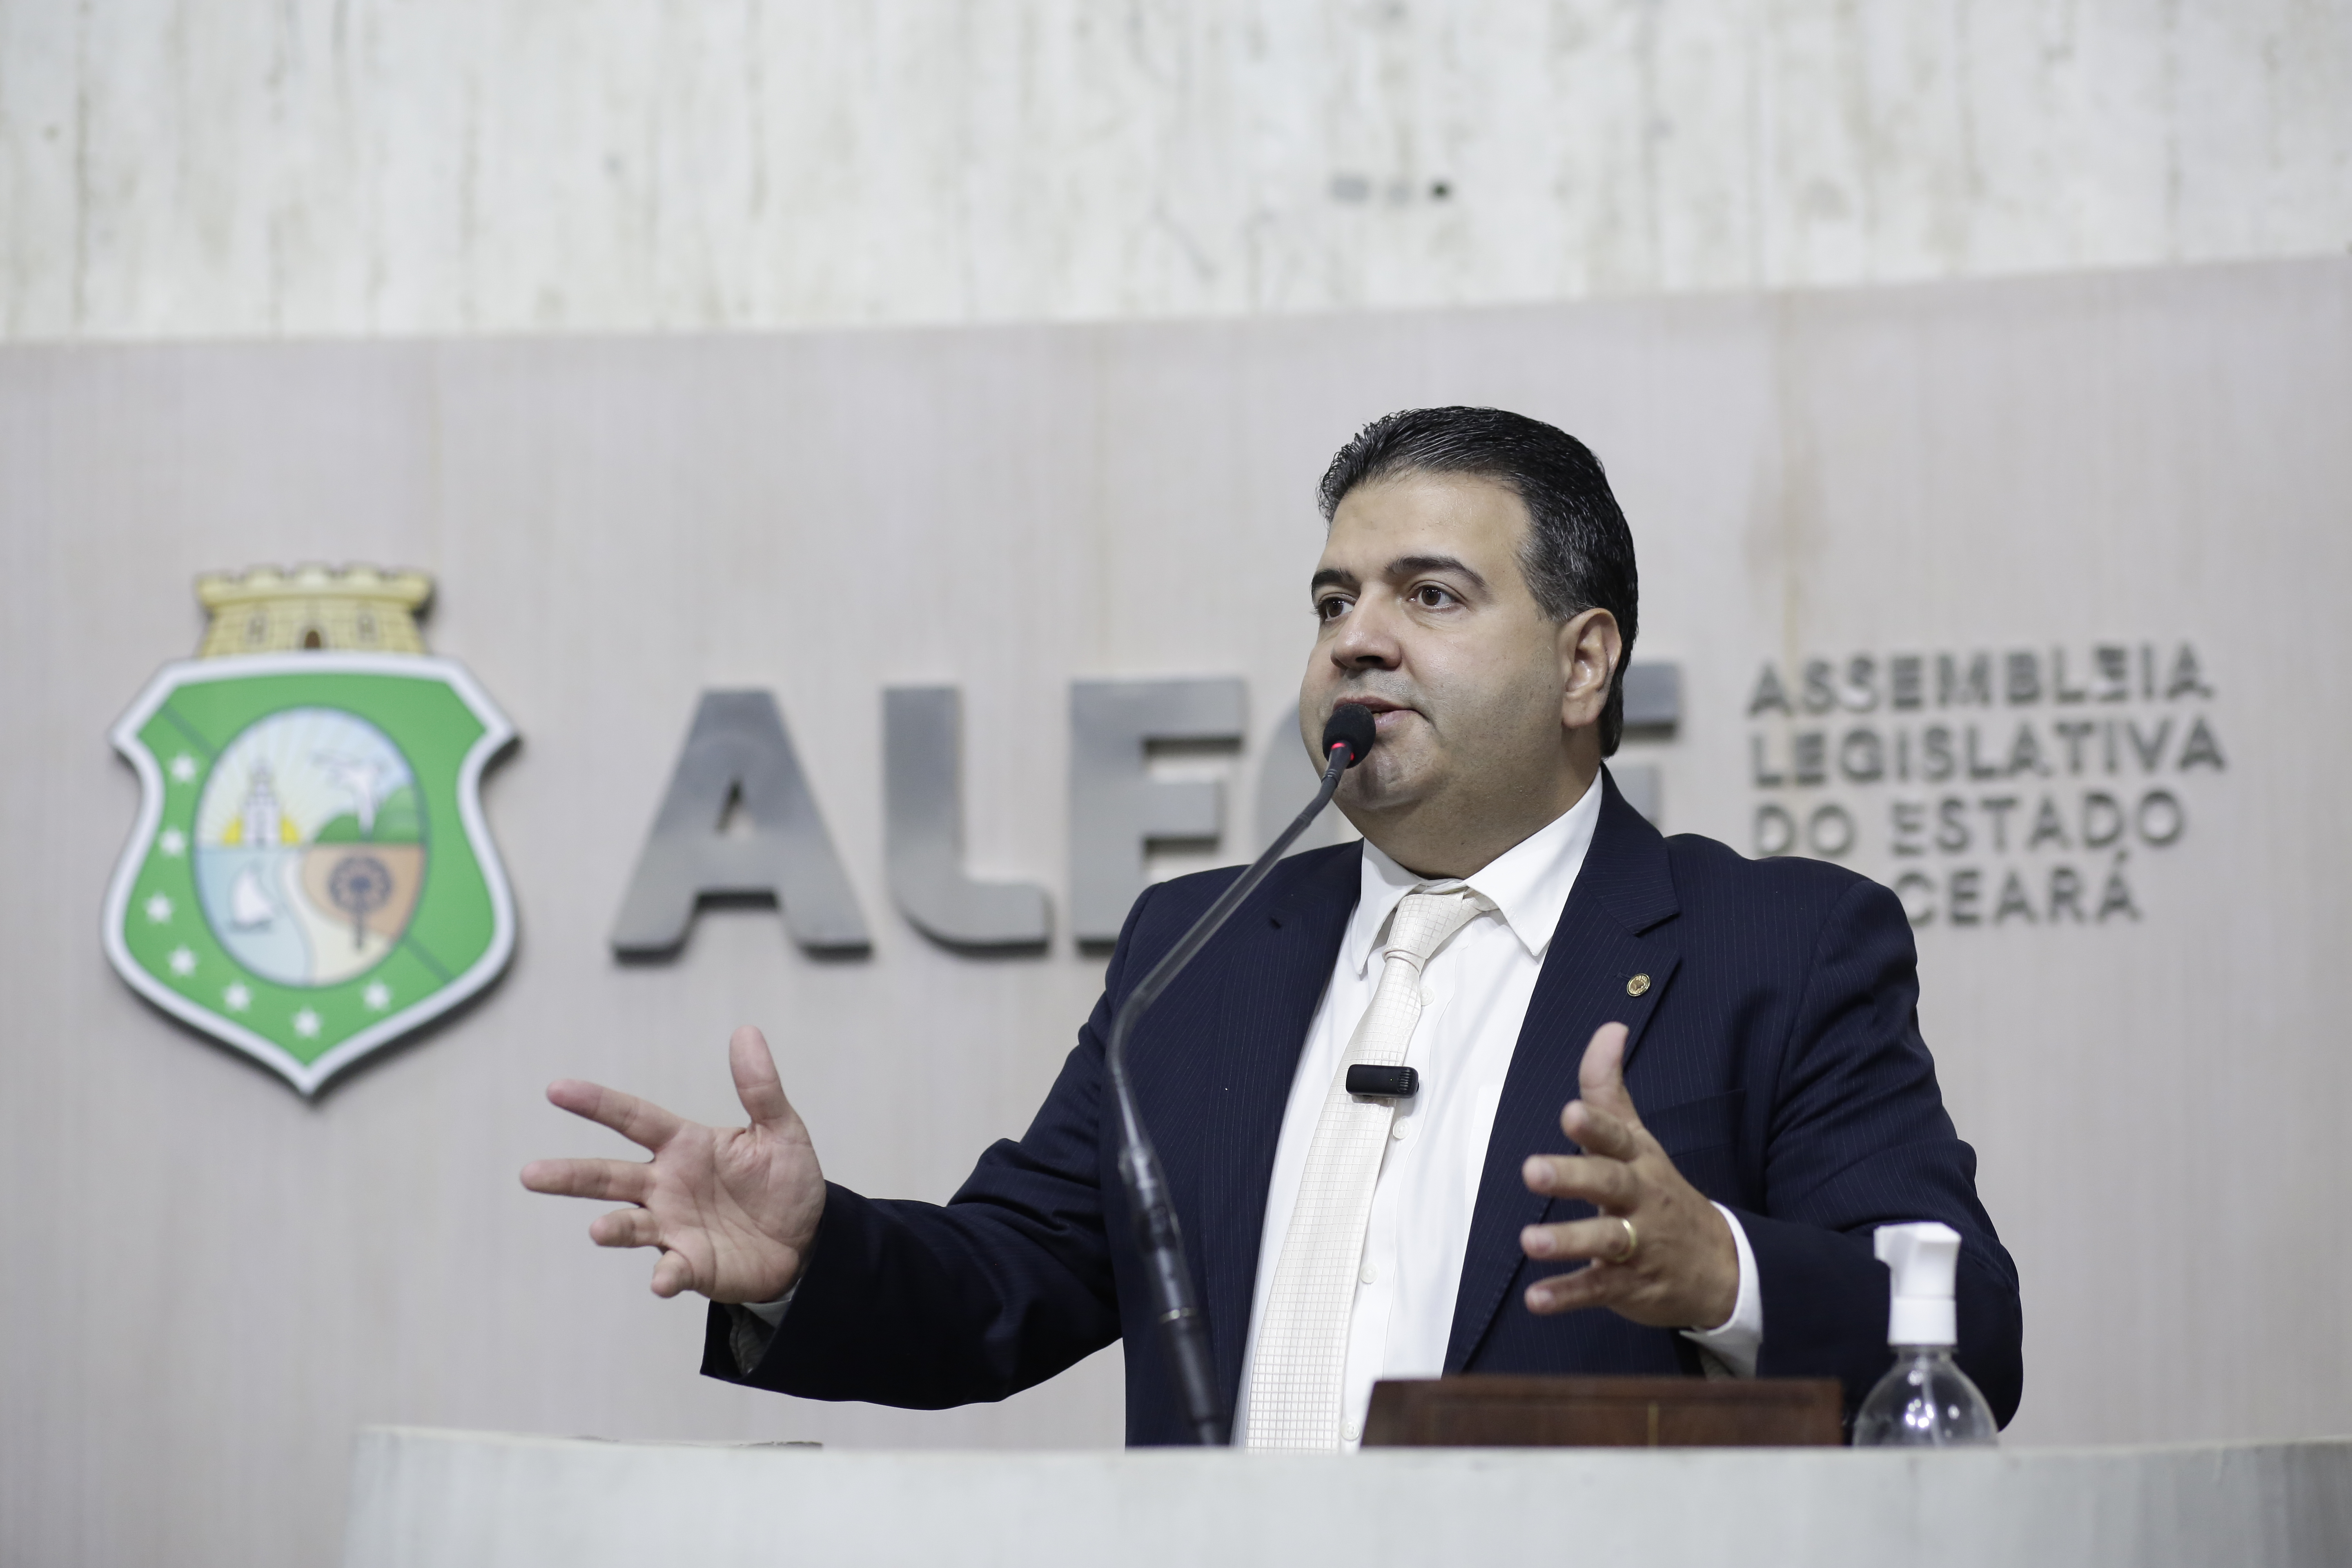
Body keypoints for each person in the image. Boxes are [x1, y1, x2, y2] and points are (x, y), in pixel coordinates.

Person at [522, 406, 2023, 1448]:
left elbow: (1970, 1335)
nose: (1358, 637)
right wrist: (810, 1257)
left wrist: (1723, 1273)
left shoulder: (1780, 946)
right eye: (1332, 601)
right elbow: (1014, 1280)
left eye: (1430, 595)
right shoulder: (1205, 950)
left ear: (1584, 665)